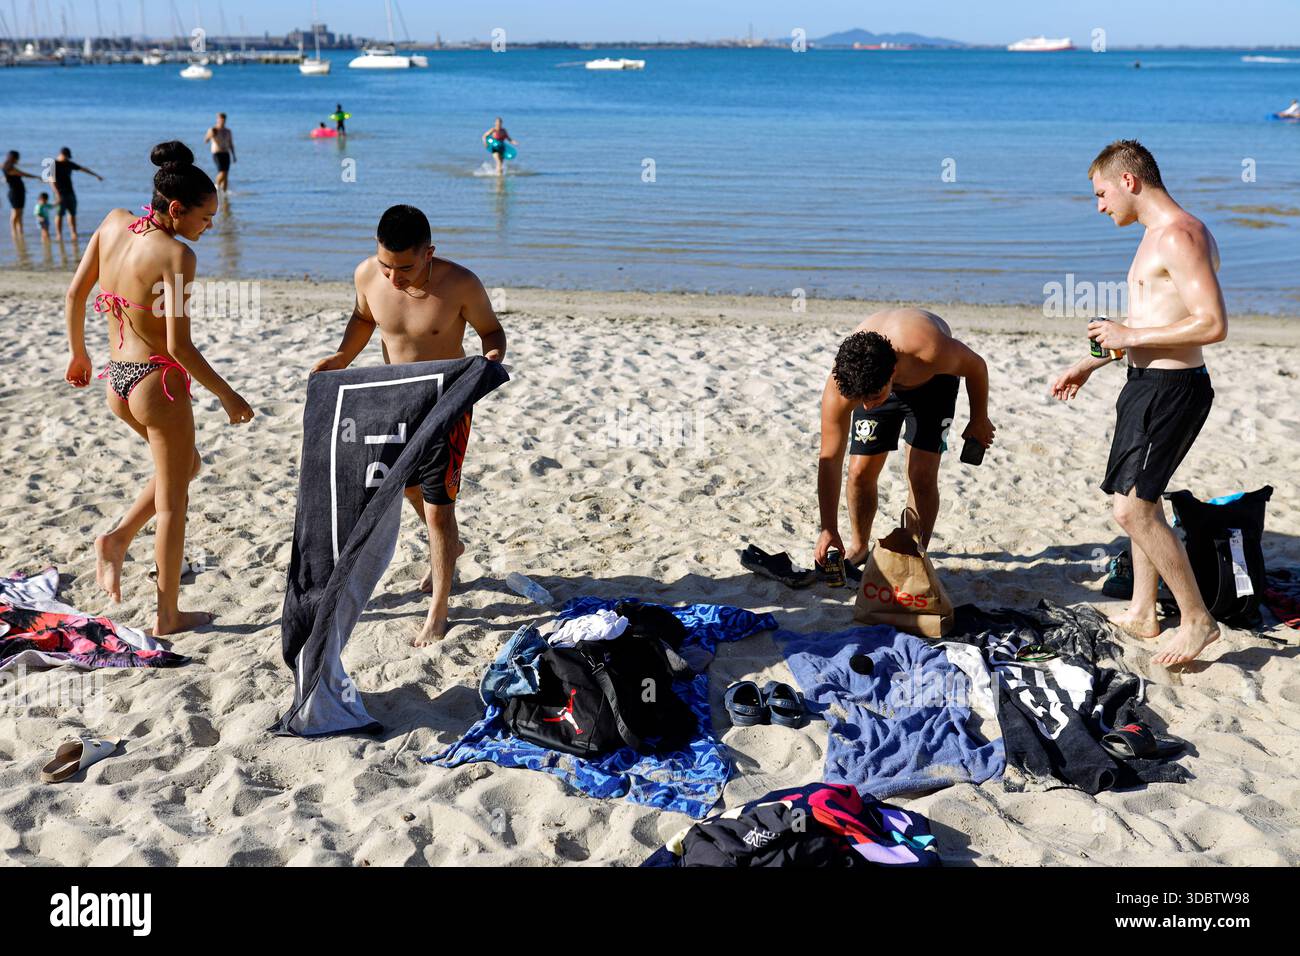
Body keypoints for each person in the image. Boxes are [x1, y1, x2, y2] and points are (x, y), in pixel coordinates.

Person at [62, 141, 254, 636]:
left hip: (117, 382)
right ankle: (168, 615)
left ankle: (118, 539)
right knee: (173, 505)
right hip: (158, 385)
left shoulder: (111, 223)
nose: (209, 226)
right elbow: (181, 346)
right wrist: (227, 395)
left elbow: (75, 293)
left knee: (187, 466)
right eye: (205, 217)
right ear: (176, 209)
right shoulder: (177, 256)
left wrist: (78, 353)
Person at [1051, 139, 1226, 667]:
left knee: (1132, 510)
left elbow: (1213, 324)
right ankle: (1143, 609)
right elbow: (1147, 327)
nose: (1100, 205)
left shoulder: (1181, 234)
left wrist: (1127, 334)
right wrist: (1091, 361)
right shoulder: (1156, 235)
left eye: (1101, 193)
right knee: (1137, 503)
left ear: (1129, 181)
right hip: (1145, 385)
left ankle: (1197, 619)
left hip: (1173, 391)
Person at [312, 204, 507, 647]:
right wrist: (343, 356)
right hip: (393, 400)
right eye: (386, 265)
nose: (393, 279)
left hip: (446, 405)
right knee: (408, 488)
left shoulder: (460, 283)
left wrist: (491, 359)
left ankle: (439, 607)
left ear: (429, 253)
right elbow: (364, 318)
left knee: (439, 508)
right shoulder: (367, 276)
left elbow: (492, 332)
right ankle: (452, 551)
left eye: (404, 267)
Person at [816, 309, 995, 569]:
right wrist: (828, 527)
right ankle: (859, 546)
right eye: (860, 400)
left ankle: (914, 553)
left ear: (892, 373)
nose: (866, 407)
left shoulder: (930, 350)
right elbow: (830, 459)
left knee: (920, 474)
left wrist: (979, 418)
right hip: (873, 376)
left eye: (873, 398)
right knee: (859, 472)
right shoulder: (845, 382)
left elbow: (977, 367)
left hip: (934, 383)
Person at [52, 147, 104, 242]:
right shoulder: (53, 164)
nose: (67, 159)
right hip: (59, 193)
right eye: (67, 157)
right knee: (59, 214)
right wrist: (57, 194)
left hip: (70, 192)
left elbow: (83, 169)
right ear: (63, 154)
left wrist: (96, 175)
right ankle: (59, 234)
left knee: (72, 213)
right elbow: (51, 181)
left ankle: (73, 233)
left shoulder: (68, 163)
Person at [4, 150, 40, 238]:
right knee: (15, 213)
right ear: (14, 158)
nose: (18, 160)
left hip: (19, 192)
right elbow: (23, 174)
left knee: (20, 213)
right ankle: (14, 232)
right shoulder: (9, 168)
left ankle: (20, 232)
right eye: (17, 158)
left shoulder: (7, 166)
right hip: (14, 193)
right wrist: (36, 177)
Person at [203, 112, 236, 192]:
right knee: (222, 172)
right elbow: (206, 140)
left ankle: (224, 194)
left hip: (226, 153)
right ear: (217, 119)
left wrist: (234, 155)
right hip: (217, 153)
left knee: (226, 175)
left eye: (223, 119)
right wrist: (210, 135)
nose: (222, 121)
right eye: (220, 119)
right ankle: (215, 186)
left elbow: (231, 143)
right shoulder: (213, 129)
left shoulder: (228, 131)